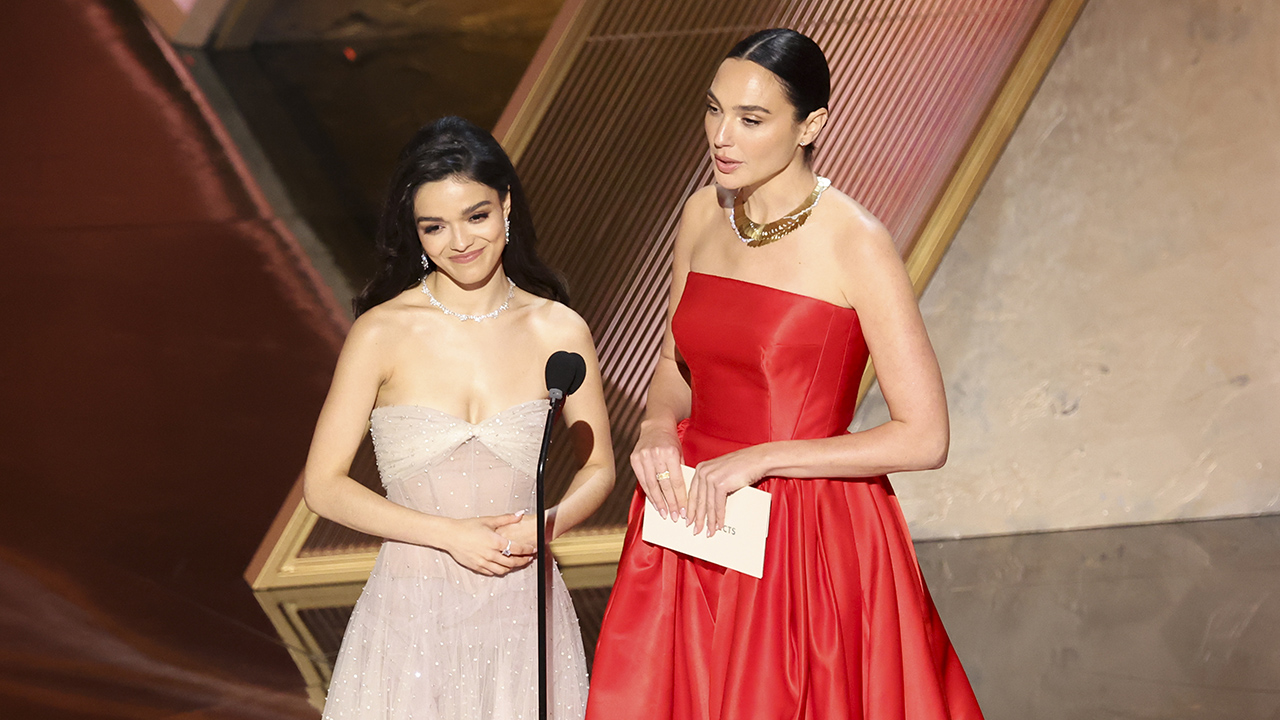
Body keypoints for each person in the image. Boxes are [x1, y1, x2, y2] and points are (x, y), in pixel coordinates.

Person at [585, 29, 983, 720]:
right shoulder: (701, 215)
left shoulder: (856, 241)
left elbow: (924, 438)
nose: (722, 137)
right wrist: (655, 427)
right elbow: (675, 360)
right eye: (714, 111)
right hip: (691, 515)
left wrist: (763, 457)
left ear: (812, 126)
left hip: (805, 534)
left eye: (752, 119)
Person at [303, 116, 614, 720]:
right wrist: (451, 535)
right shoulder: (382, 332)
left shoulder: (559, 329)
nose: (459, 242)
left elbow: (599, 464)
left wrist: (548, 523)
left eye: (475, 216)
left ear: (505, 207)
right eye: (434, 227)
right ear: (415, 234)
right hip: (411, 611)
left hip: (525, 605)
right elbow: (323, 486)